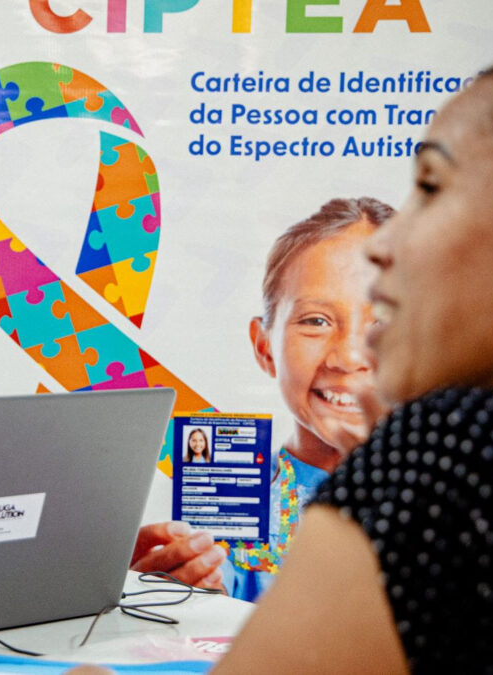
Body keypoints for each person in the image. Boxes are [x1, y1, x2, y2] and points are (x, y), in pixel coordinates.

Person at [211, 36, 493, 673]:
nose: (385, 247)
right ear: (262, 345)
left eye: (430, 188)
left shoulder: (450, 449)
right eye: (316, 320)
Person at [131, 198, 392, 598]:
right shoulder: (232, 501)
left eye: (385, 321)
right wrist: (178, 595)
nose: (348, 357)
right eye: (316, 321)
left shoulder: (472, 495)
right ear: (264, 347)